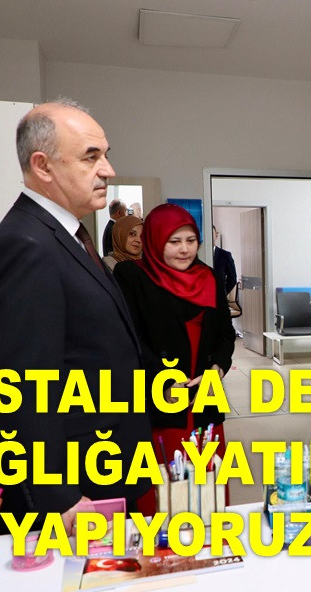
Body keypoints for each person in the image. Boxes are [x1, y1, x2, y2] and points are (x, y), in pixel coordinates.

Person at [0, 99, 151, 532]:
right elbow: (24, 385)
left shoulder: (68, 236)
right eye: (91, 157)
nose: (108, 170)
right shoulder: (24, 245)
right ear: (43, 166)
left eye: (105, 155)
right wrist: (60, 499)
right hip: (74, 490)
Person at [113, 203, 236, 512]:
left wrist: (217, 368)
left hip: (205, 397)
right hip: (160, 400)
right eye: (174, 241)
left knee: (208, 489)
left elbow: (225, 333)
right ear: (155, 241)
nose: (184, 249)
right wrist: (162, 380)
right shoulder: (133, 277)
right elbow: (129, 339)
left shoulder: (208, 276)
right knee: (165, 491)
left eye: (191, 240)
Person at [212, 226, 238, 296]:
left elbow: (232, 279)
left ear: (216, 235)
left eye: (211, 234)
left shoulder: (225, 255)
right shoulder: (196, 255)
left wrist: (223, 294)